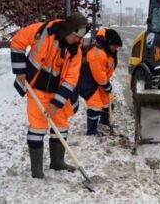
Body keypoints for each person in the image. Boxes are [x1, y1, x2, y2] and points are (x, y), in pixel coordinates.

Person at [10, 12, 88, 179]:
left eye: (80, 37)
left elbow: (71, 80)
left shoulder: (76, 50)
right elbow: (17, 41)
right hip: (35, 87)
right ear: (67, 30)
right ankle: (36, 170)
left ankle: (57, 162)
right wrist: (20, 71)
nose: (77, 40)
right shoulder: (43, 31)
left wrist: (56, 104)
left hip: (57, 91)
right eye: (75, 36)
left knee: (61, 125)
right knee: (37, 127)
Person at [77, 27, 123, 136]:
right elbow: (99, 74)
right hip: (86, 81)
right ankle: (91, 131)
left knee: (108, 102)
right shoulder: (98, 54)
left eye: (117, 46)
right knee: (95, 106)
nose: (116, 48)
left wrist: (105, 85)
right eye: (115, 46)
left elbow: (104, 72)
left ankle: (104, 121)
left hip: (98, 82)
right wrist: (106, 85)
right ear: (108, 43)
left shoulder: (108, 51)